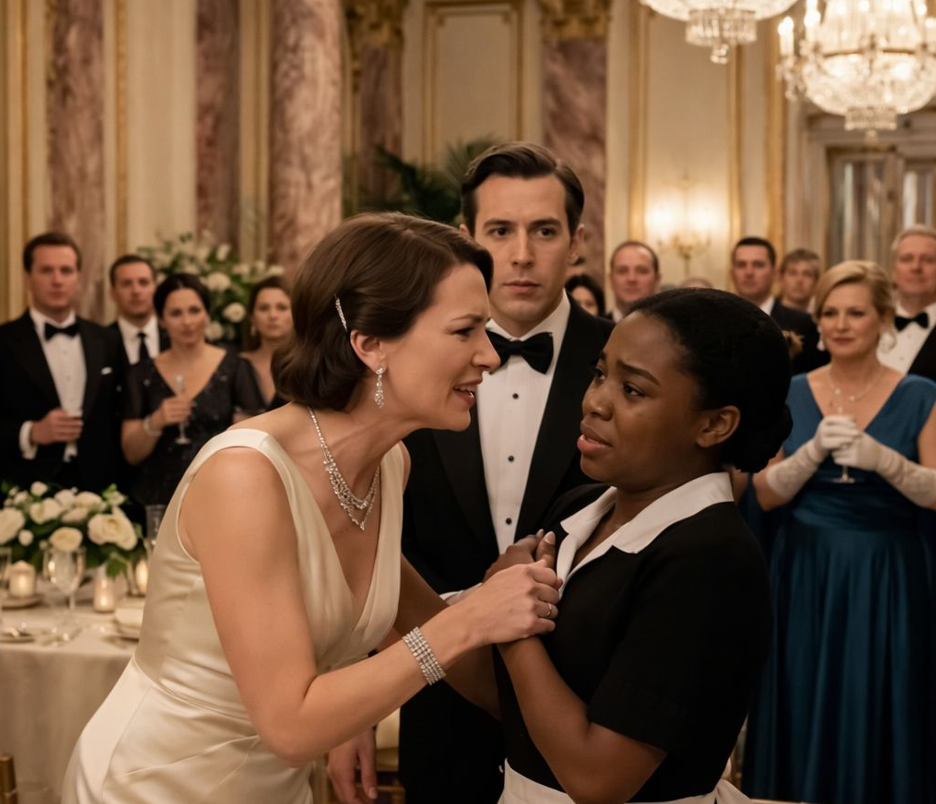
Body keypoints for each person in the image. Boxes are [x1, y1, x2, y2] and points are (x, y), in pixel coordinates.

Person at [63, 212, 561, 804]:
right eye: (465, 331)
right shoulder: (245, 477)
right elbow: (293, 726)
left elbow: (430, 633)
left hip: (273, 788)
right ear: (370, 345)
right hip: (156, 784)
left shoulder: (391, 465)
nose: (490, 356)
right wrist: (470, 619)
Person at [333, 288, 788, 804]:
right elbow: (503, 693)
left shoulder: (709, 558)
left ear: (713, 424)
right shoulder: (580, 508)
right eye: (599, 374)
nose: (595, 401)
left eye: (632, 390)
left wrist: (512, 619)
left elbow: (598, 779)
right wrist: (370, 549)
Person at [395, 142, 613, 804]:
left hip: (587, 699)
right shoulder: (409, 360)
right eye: (499, 231)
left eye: (543, 231)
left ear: (577, 242)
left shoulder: (626, 360)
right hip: (436, 686)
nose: (521, 254)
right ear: (467, 239)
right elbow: (376, 531)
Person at [743, 261, 936, 804]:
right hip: (805, 569)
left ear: (883, 320)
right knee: (805, 689)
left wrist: (886, 462)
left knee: (881, 690)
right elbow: (763, 493)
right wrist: (809, 456)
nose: (841, 324)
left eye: (856, 313)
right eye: (830, 313)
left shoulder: (920, 393)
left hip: (887, 570)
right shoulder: (790, 391)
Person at [120, 273, 264, 507]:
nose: (187, 322)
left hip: (221, 494)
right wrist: (155, 421)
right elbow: (131, 454)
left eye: (195, 311)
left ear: (207, 314)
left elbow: (254, 442)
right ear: (161, 320)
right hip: (158, 498)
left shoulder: (235, 367)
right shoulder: (141, 373)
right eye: (176, 313)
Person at [0, 232, 124, 491]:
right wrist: (30, 432)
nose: (57, 280)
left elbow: (120, 415)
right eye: (46, 270)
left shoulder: (107, 340)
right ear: (28, 278)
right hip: (24, 487)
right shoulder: (5, 341)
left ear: (78, 278)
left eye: (66, 270)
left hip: (99, 488)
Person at [730, 236, 826, 374]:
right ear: (732, 273)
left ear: (775, 273)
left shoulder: (804, 323)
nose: (749, 272)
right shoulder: (717, 319)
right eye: (741, 265)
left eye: (758, 265)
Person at [878, 225, 936, 380]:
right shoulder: (870, 323)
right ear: (893, 270)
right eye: (907, 259)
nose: (916, 267)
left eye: (928, 260)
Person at [240, 276, 294, 406]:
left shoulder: (310, 366)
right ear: (252, 318)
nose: (273, 315)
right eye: (264, 308)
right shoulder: (234, 366)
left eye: (282, 307)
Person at [107, 254, 168, 366]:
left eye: (143, 282)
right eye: (126, 284)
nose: (136, 291)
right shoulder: (100, 342)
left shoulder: (175, 337)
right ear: (113, 292)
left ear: (155, 289)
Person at [607, 240, 660, 321]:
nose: (631, 279)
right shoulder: (592, 328)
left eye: (642, 271)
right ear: (610, 280)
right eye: (622, 271)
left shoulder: (675, 327)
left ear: (657, 279)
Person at [777, 247, 821, 313]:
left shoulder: (822, 316)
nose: (799, 280)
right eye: (793, 273)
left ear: (816, 282)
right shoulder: (767, 313)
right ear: (781, 278)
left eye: (807, 274)